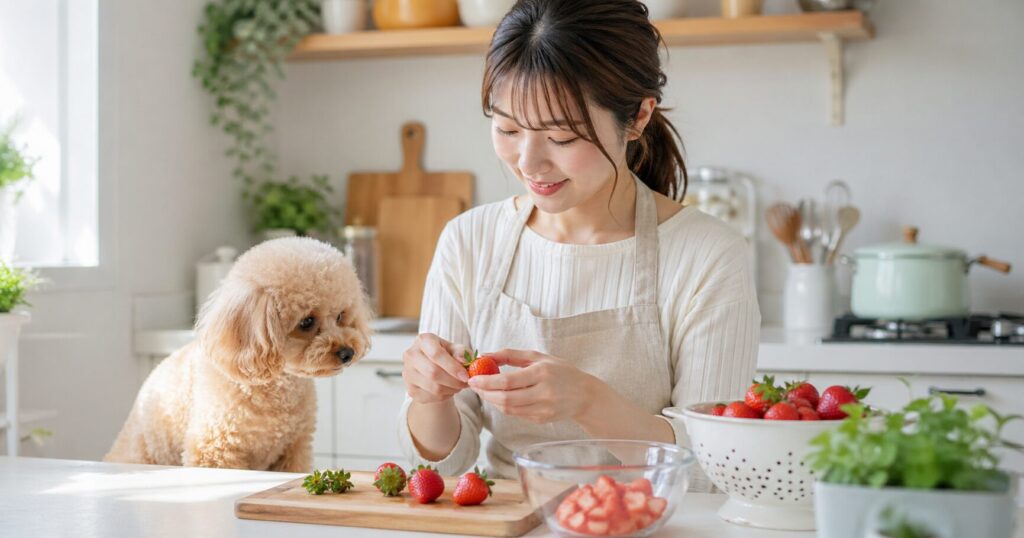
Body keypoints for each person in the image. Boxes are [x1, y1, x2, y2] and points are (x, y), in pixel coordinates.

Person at [396, 0, 760, 487]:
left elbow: (714, 469)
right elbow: (443, 463)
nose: (529, 163)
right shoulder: (469, 241)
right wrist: (429, 396)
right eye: (507, 128)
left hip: (654, 518)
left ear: (638, 117)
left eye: (562, 137)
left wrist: (588, 402)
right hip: (510, 516)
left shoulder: (708, 255)